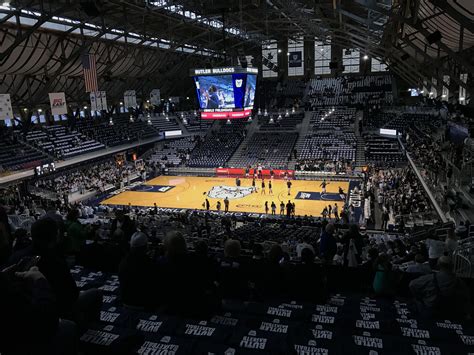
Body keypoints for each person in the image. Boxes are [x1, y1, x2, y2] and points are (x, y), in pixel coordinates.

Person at [118, 232, 158, 309]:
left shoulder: (123, 262)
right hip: (144, 304)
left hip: (126, 301)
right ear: (146, 247)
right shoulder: (149, 264)